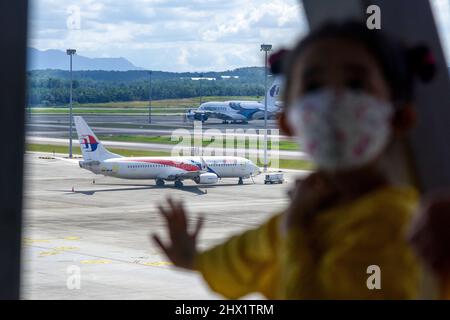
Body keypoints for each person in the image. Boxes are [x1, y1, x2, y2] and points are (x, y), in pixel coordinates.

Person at [152, 21, 436, 299]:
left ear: (400, 117)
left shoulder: (391, 224)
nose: (334, 100)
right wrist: (193, 259)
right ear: (287, 123)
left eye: (355, 85)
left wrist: (296, 230)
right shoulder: (306, 208)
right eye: (314, 87)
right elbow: (240, 256)